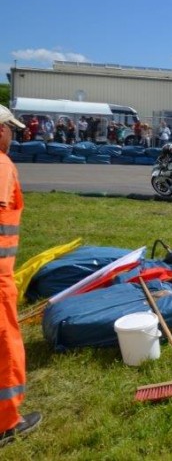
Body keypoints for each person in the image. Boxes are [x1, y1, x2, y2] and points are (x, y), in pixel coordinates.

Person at [0, 105, 42, 447]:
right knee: (5, 346)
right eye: (10, 129)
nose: (13, 135)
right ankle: (7, 422)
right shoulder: (1, 165)